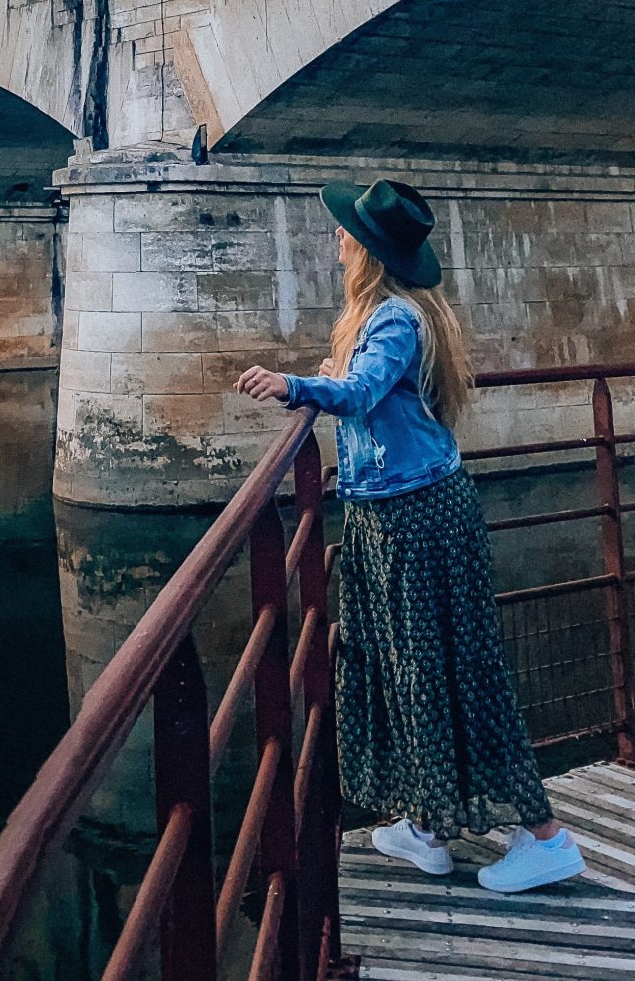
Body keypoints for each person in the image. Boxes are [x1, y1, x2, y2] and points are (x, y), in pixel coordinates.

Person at [234, 178, 583, 895]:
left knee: (450, 669)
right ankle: (427, 826)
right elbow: (371, 386)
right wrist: (334, 373)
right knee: (410, 668)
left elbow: (363, 394)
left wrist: (293, 384)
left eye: (346, 231)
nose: (337, 237)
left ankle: (547, 837)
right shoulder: (387, 316)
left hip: (417, 517)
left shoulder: (395, 318)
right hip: (394, 514)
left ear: (370, 251)